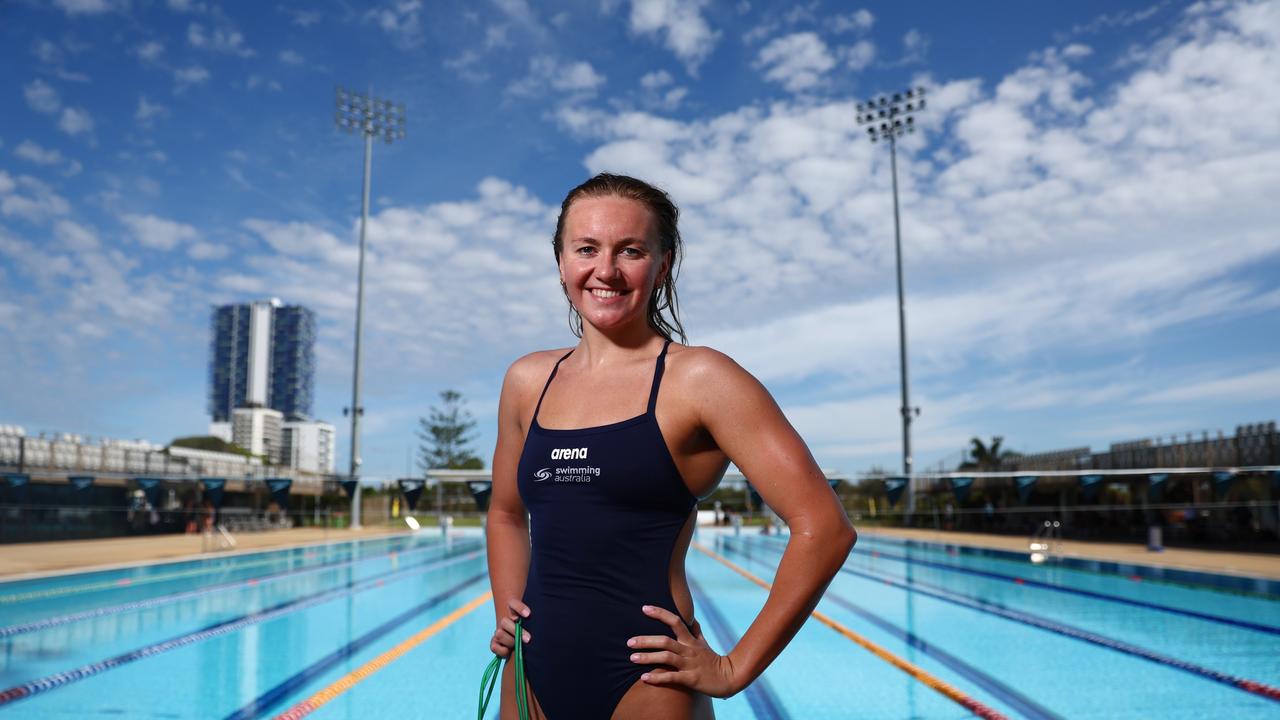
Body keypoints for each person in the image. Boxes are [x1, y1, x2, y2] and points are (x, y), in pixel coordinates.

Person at [486, 173, 856, 720]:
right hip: (530, 672)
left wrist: (733, 669)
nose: (604, 270)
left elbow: (824, 527)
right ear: (561, 261)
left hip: (648, 680)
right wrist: (507, 610)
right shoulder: (527, 381)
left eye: (629, 251)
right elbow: (505, 513)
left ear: (662, 265)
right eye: (586, 248)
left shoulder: (701, 379)